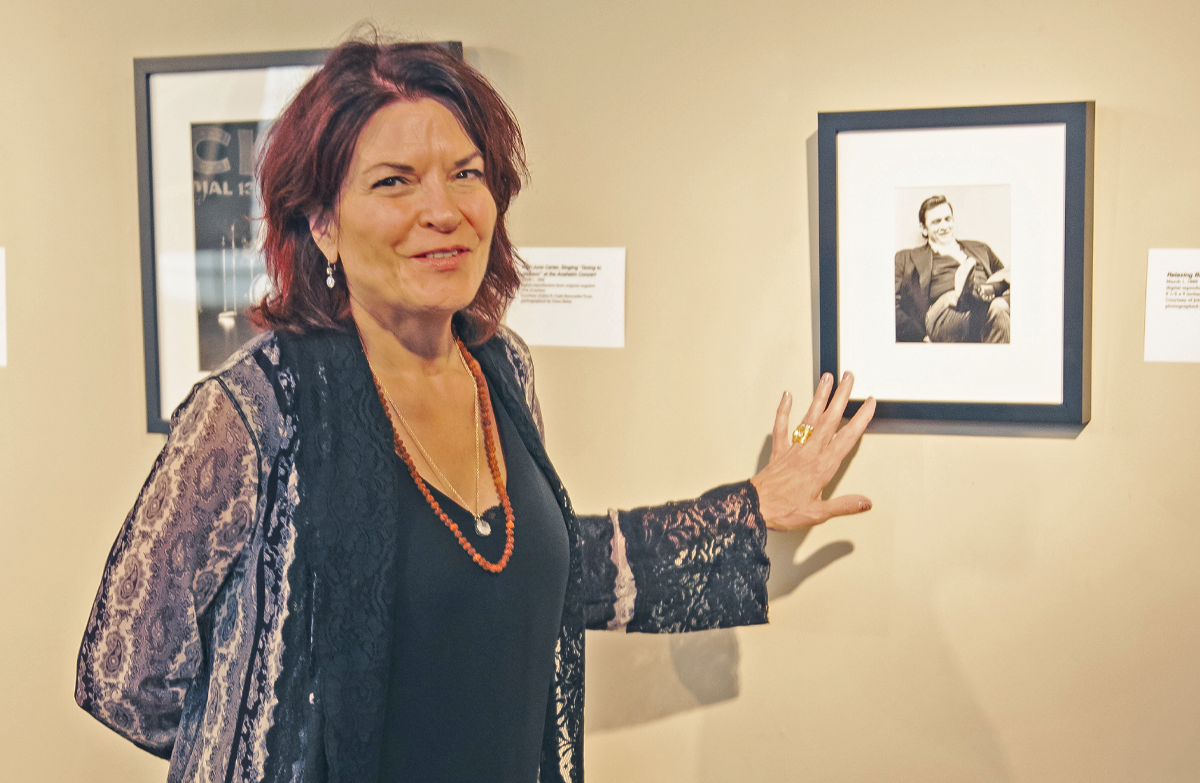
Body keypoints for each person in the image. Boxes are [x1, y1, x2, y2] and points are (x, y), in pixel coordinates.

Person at [76, 39, 876, 783]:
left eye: (467, 173)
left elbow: (533, 563)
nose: (446, 209)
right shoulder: (255, 410)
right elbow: (123, 676)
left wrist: (752, 508)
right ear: (321, 223)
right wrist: (283, 738)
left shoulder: (501, 368)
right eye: (394, 181)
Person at [895, 195, 1011, 343]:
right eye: (936, 222)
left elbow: (1004, 279)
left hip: (982, 311)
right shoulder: (905, 258)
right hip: (943, 315)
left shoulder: (980, 248)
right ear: (924, 229)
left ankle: (975, 294)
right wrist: (920, 338)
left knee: (1000, 305)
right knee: (952, 297)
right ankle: (962, 295)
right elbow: (891, 305)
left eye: (947, 219)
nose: (944, 226)